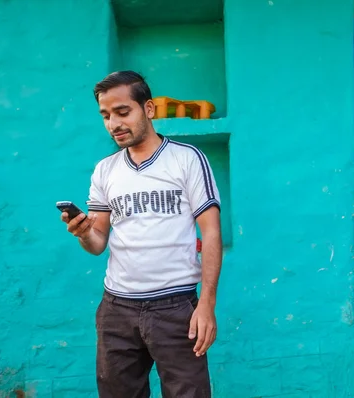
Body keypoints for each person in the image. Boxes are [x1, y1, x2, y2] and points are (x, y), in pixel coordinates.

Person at [60, 70, 222, 398]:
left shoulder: (187, 160)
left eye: (122, 112)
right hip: (117, 309)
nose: (113, 124)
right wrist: (82, 233)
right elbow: (98, 242)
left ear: (148, 110)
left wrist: (206, 305)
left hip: (175, 307)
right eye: (105, 115)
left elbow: (211, 233)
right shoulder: (105, 171)